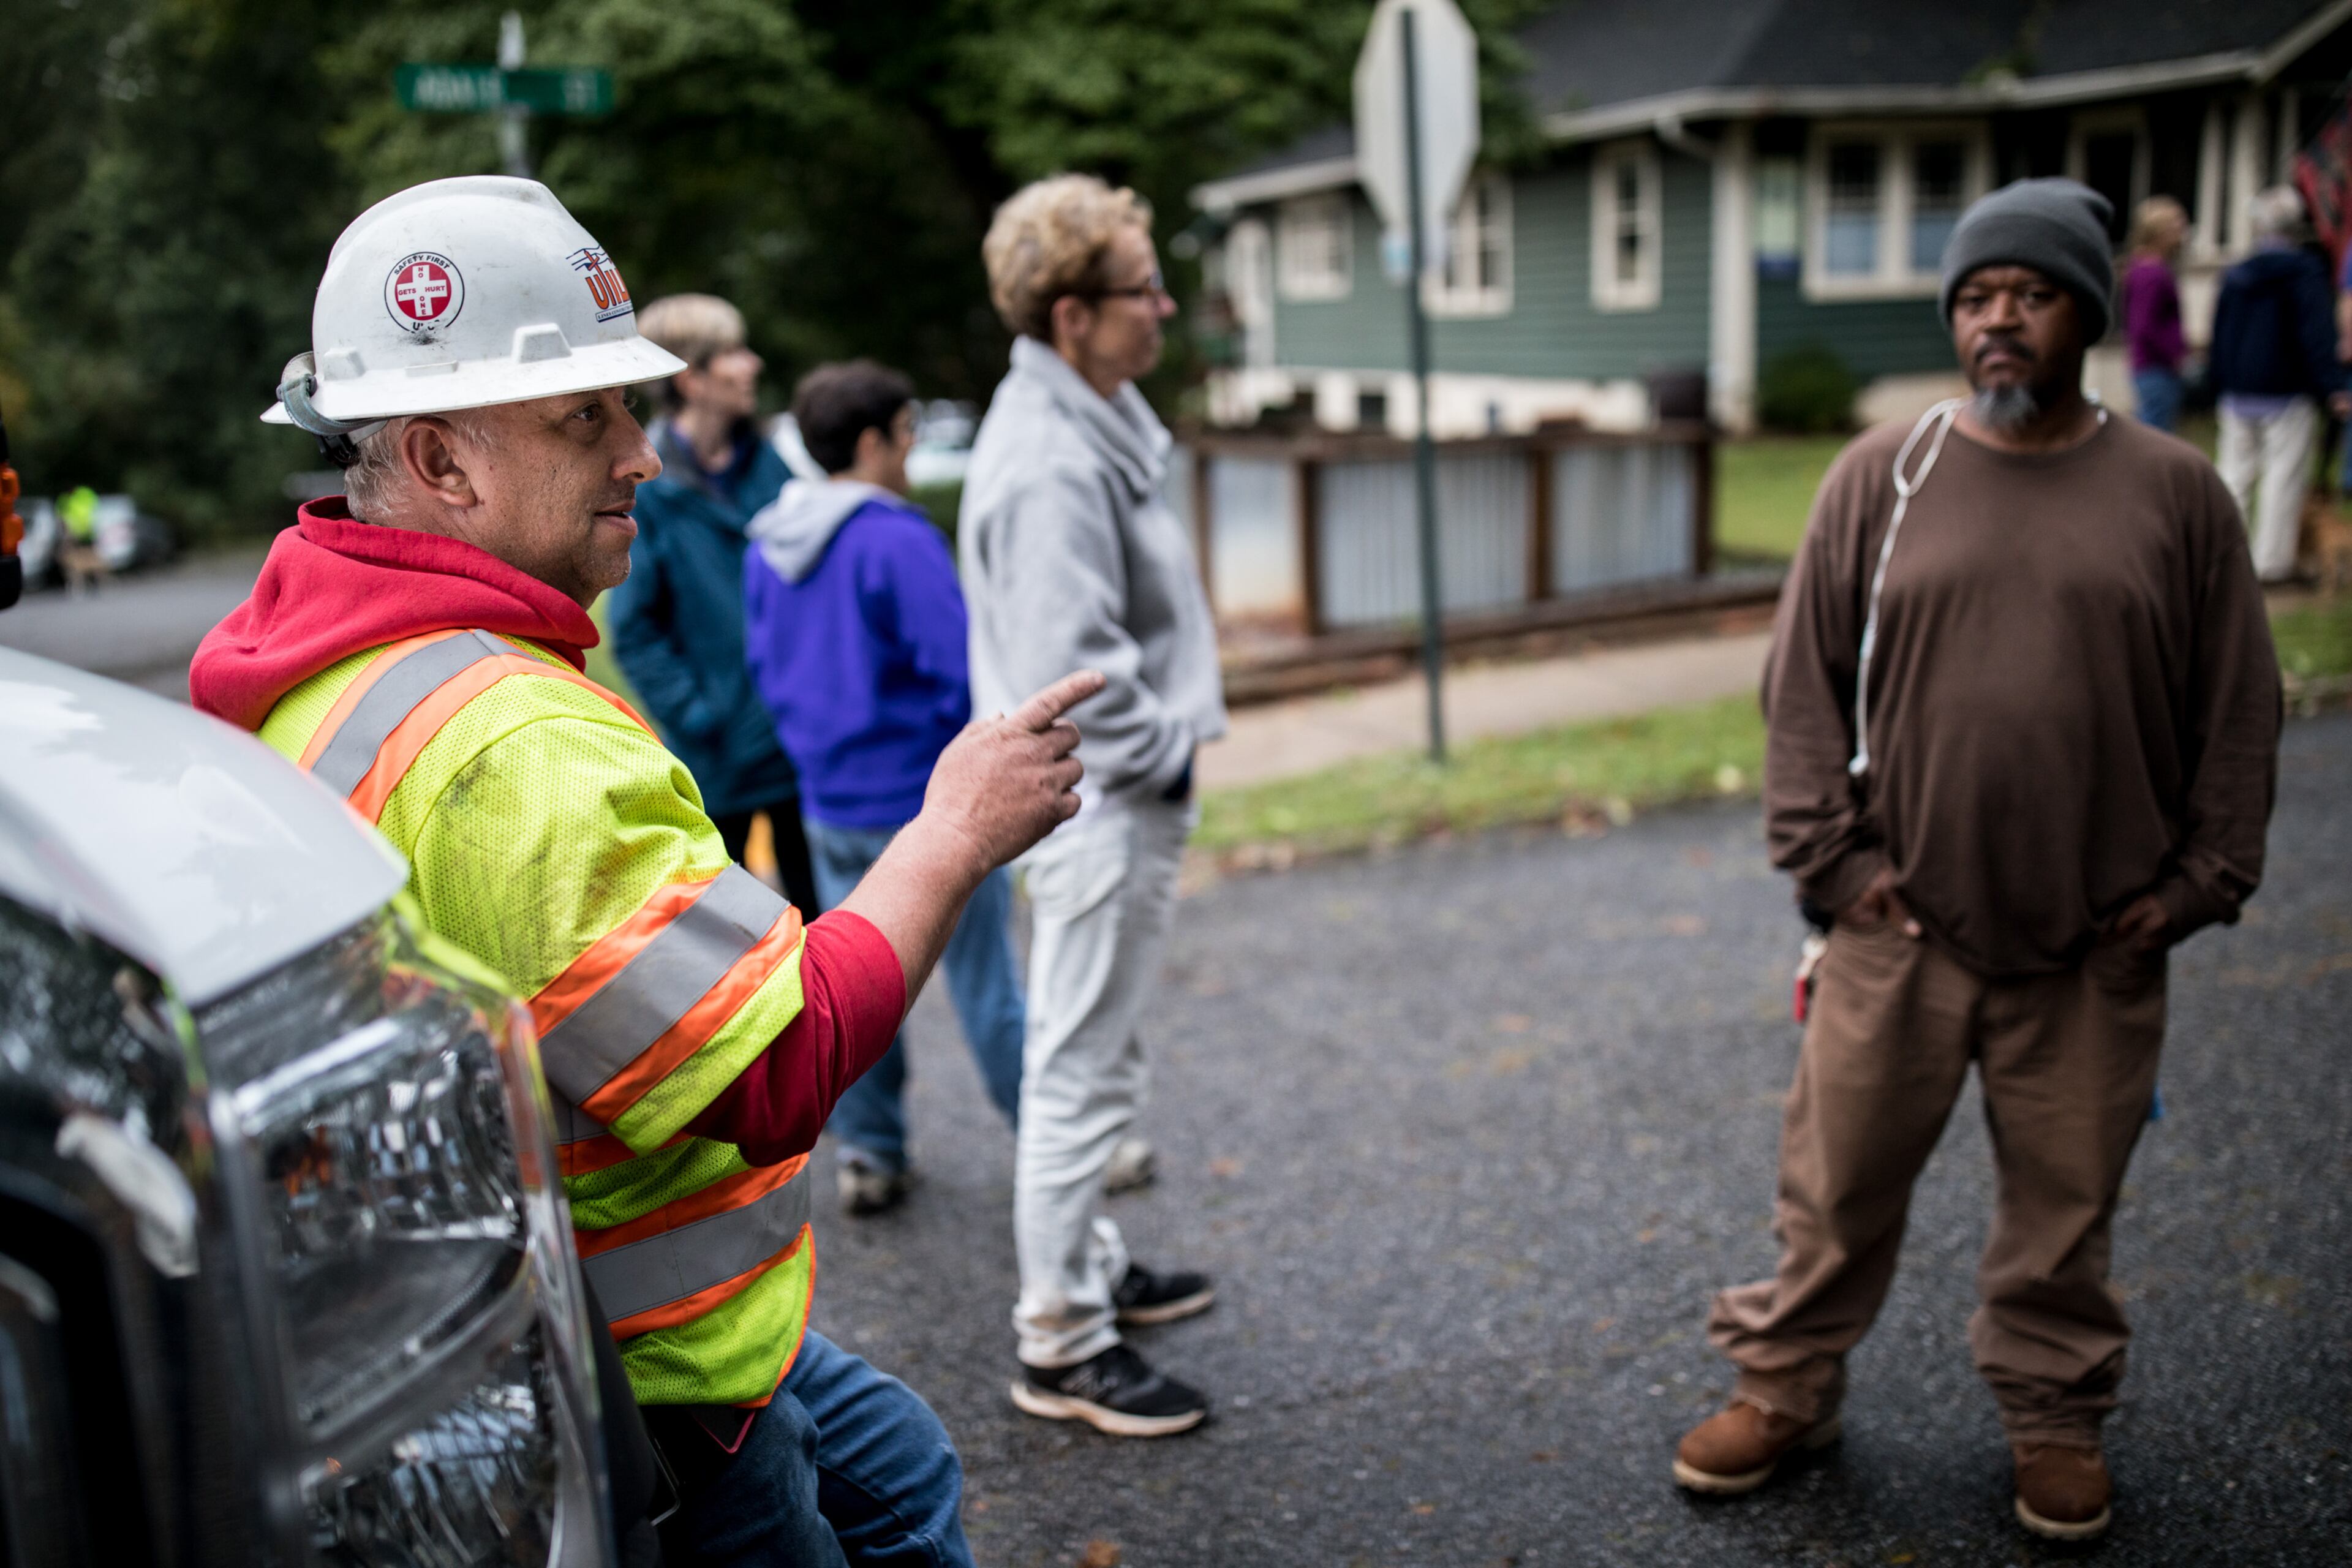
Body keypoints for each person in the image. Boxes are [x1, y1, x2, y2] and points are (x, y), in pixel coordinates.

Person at [190, 175, 1105, 1567]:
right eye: (586, 416)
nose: (642, 454)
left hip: (556, 1328)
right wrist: (954, 832)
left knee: (903, 1468)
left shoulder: (320, 656)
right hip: (653, 1378)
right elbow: (771, 1062)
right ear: (441, 462)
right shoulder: (511, 749)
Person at [1671, 179, 2282, 1542]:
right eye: (1974, 297)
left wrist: (2196, 885)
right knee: (1833, 1183)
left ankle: (2054, 1414)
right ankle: (1785, 1383)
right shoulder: (1882, 475)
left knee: (2066, 1205)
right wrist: (1837, 866)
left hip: (2095, 937)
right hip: (1901, 926)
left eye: (2032, 292)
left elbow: (2238, 707)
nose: (1998, 318)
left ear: (2085, 313)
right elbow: (1803, 690)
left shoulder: (2175, 494)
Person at [960, 173, 1228, 1437]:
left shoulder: (1086, 421)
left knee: (1096, 1056)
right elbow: (1081, 662)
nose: (1164, 307)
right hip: (1098, 799)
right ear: (1072, 315)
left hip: (1107, 795)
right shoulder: (1053, 458)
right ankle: (1061, 1338)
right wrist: (1168, 751)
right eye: (1141, 287)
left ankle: (1093, 1266)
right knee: (1074, 1071)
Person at [742, 360, 1028, 1216]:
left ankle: (871, 1153)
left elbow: (764, 664)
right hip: (925, 801)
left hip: (829, 798)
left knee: (859, 990)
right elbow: (956, 668)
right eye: (905, 434)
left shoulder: (767, 543)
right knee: (987, 984)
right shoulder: (895, 537)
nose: (910, 451)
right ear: (871, 442)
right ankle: (1056, 1138)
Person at [607, 292, 818, 913]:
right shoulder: (649, 488)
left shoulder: (771, 468)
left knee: (834, 921)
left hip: (801, 743)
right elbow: (636, 631)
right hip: (722, 758)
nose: (751, 365)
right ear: (691, 379)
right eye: (731, 353)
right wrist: (703, 718)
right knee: (744, 937)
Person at [2211, 184, 2348, 582]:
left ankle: (2221, 559)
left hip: (2239, 390)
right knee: (2282, 477)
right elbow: (2316, 335)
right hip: (2286, 392)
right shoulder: (2304, 273)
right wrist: (2332, 386)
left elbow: (2221, 333)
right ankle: (2269, 564)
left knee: (2234, 474)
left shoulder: (2236, 274)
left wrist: (2221, 379)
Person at [2119, 195, 2189, 431]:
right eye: (2176, 227)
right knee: (2155, 434)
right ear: (2159, 232)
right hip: (2156, 365)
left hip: (2148, 363)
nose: (2182, 233)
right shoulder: (2152, 274)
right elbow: (2144, 325)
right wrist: (2174, 355)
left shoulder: (2141, 268)